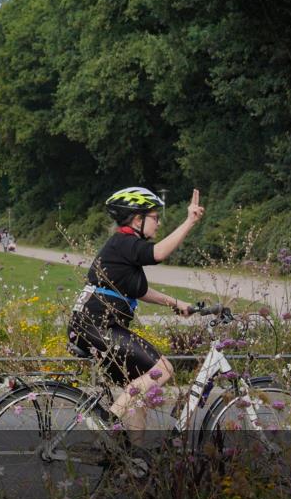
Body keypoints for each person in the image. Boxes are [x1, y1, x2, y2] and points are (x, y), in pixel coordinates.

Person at [67, 187, 205, 441]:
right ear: (137, 220)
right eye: (154, 217)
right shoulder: (125, 242)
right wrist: (190, 221)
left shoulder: (123, 248)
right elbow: (159, 253)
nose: (159, 222)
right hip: (98, 327)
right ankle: (108, 419)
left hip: (93, 326)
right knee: (162, 369)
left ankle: (134, 462)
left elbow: (139, 290)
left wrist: (177, 303)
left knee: (138, 394)